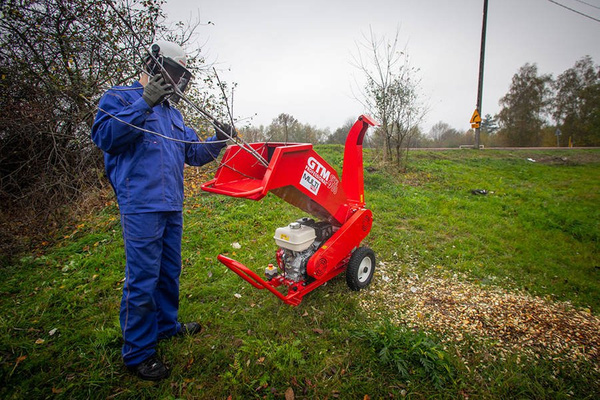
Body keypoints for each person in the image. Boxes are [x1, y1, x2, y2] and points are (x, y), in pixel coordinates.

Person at [91, 40, 234, 381]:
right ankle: (138, 352)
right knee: (142, 278)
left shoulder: (173, 113)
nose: (176, 82)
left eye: (180, 77)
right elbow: (106, 138)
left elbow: (194, 154)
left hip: (172, 204)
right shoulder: (120, 97)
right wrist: (144, 102)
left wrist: (219, 138)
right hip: (140, 205)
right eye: (171, 72)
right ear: (154, 65)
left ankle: (166, 326)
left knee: (169, 271)